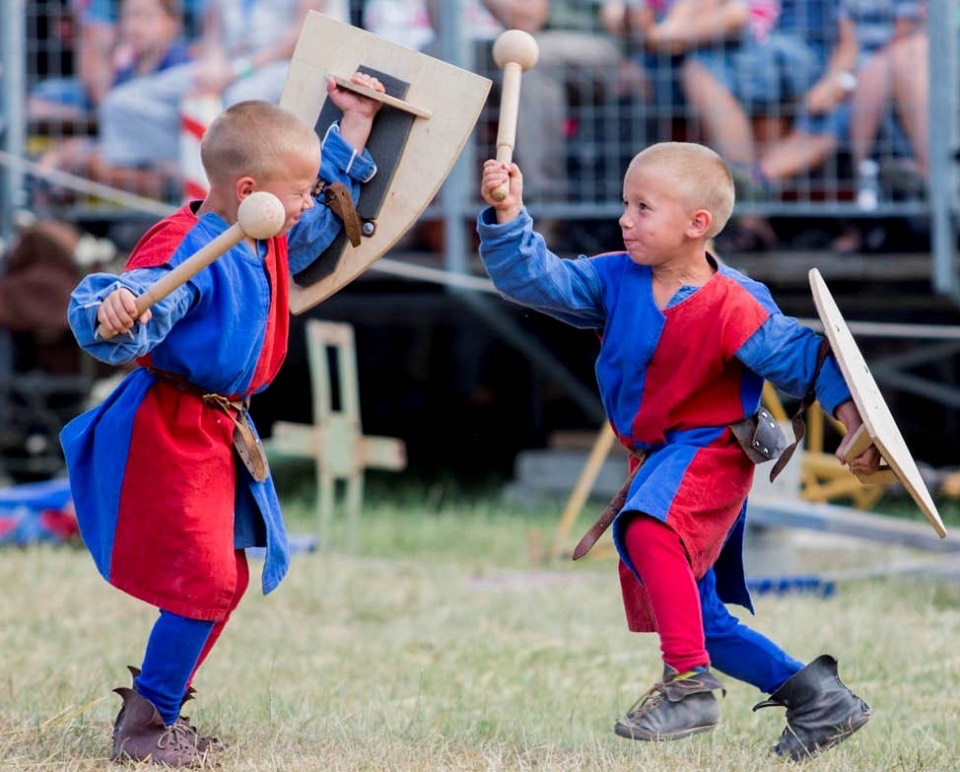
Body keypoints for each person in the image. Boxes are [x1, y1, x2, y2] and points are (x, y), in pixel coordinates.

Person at [477, 142, 877, 761]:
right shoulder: (612, 279)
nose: (624, 219)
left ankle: (687, 686)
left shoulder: (737, 305)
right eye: (624, 204)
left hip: (713, 450)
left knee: (647, 529)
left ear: (699, 225)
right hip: (658, 456)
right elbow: (535, 278)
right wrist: (510, 213)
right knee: (698, 618)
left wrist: (855, 418)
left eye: (643, 207)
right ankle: (818, 698)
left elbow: (807, 361)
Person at [59, 72, 384, 766]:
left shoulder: (261, 233)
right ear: (249, 193)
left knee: (224, 580)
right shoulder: (187, 247)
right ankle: (145, 733)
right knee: (206, 581)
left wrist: (352, 125)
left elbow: (315, 213)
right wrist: (118, 305)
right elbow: (143, 294)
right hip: (170, 430)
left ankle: (156, 712)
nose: (306, 205)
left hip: (219, 430)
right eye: (297, 194)